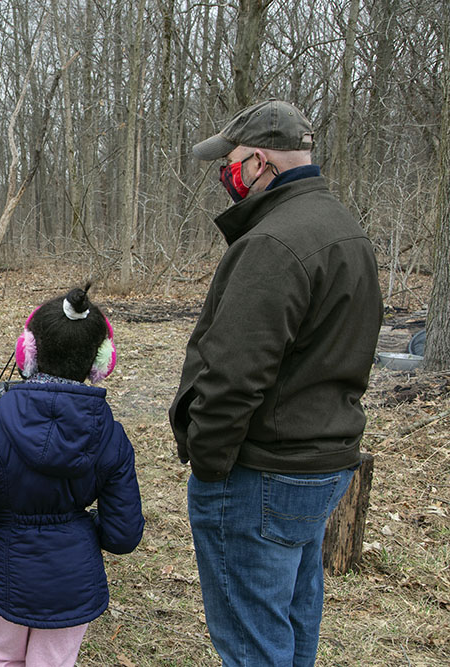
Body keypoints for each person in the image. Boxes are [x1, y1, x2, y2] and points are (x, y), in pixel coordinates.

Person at [169, 99, 383, 666]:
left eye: (231, 163)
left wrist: (210, 465)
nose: (225, 177)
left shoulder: (272, 243)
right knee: (291, 618)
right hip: (319, 464)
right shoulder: (343, 227)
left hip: (261, 474)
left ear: (260, 162)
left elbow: (233, 375)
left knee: (254, 643)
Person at [0, 284, 145, 667]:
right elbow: (123, 534)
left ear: (26, 353)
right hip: (74, 583)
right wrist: (81, 532)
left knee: (2, 659)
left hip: (6, 575)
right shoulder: (111, 435)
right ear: (101, 362)